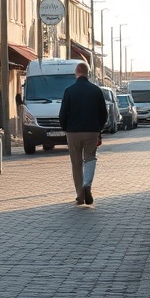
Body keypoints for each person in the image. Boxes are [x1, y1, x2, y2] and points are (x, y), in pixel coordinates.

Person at [58, 61, 107, 206]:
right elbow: (103, 114)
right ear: (87, 73)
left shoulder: (69, 91)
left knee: (76, 163)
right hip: (92, 131)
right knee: (90, 159)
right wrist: (99, 130)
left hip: (73, 132)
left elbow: (62, 114)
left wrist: (65, 128)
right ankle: (87, 185)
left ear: (76, 73)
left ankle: (80, 195)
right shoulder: (96, 91)